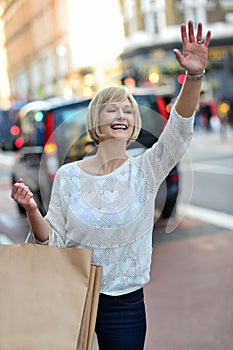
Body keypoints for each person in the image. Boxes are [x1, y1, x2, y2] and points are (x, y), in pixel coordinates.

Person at [11, 20, 211, 350]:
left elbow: (178, 131)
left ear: (133, 123)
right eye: (112, 109)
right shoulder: (69, 176)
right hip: (74, 298)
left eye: (128, 111)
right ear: (96, 121)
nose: (122, 115)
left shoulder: (146, 169)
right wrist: (32, 208)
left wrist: (193, 78)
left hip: (126, 308)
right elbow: (52, 240)